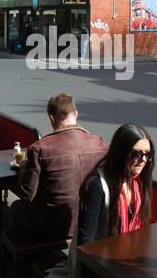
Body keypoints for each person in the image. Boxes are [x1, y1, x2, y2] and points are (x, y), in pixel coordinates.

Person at [45, 123, 155, 278]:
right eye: (137, 154)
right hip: (99, 265)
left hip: (128, 261)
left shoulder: (140, 183)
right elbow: (86, 245)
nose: (143, 160)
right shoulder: (98, 185)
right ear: (121, 153)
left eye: (147, 154)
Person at [10, 93, 108, 240]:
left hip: (51, 224)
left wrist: (24, 165)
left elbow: (27, 194)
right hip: (88, 224)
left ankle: (18, 255)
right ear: (76, 114)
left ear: (51, 117)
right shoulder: (101, 144)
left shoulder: (40, 148)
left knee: (16, 207)